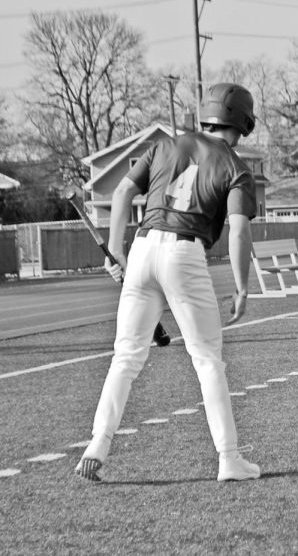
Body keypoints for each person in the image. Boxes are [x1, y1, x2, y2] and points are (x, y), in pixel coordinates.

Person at [74, 83, 261, 483]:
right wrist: (243, 286)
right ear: (244, 123)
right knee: (207, 359)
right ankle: (229, 458)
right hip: (184, 253)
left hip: (142, 247)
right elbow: (240, 232)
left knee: (125, 358)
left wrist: (116, 249)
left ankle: (98, 443)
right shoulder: (236, 168)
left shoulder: (165, 146)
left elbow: (123, 190)